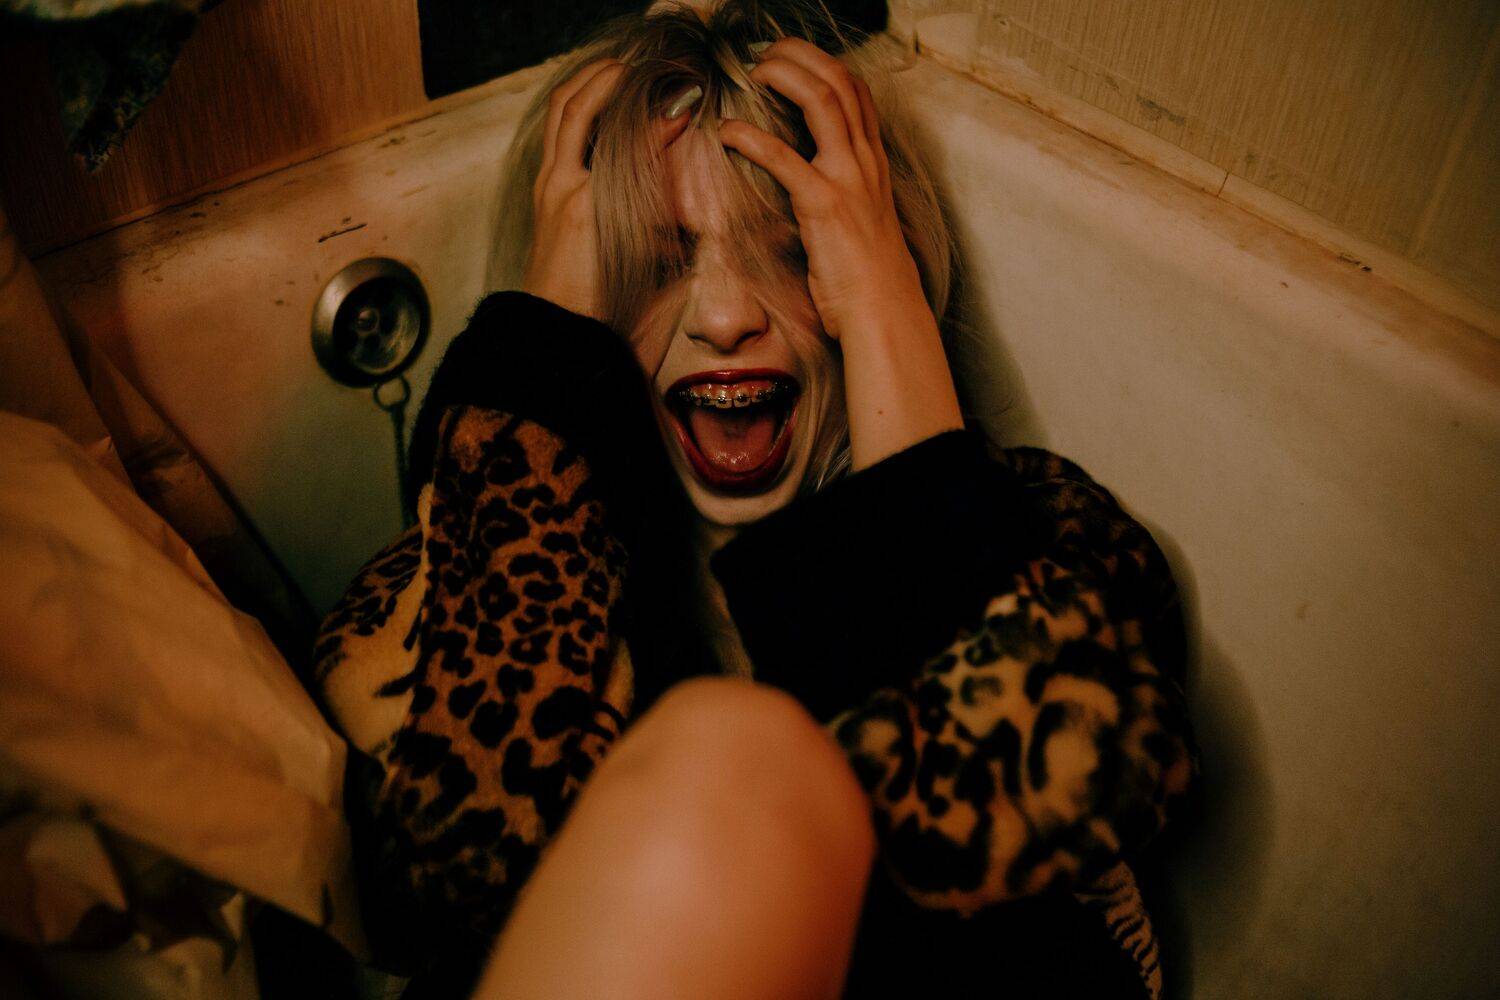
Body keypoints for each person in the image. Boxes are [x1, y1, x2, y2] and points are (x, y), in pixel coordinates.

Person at [312, 2, 1196, 996]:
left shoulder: (1050, 541)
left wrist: (884, 312)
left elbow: (1049, 838)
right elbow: (447, 879)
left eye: (796, 251)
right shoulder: (445, 588)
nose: (728, 316)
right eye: (655, 261)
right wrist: (542, 362)